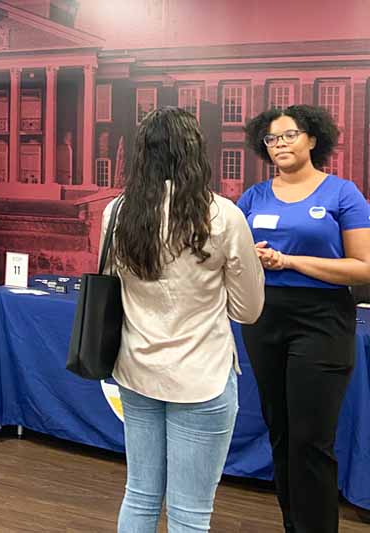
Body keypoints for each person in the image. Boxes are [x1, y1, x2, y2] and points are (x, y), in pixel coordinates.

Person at [103, 107, 264, 532]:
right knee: (190, 514)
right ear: (196, 153)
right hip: (203, 376)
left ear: (142, 155)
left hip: (137, 370)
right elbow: (248, 310)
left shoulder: (117, 214)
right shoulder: (223, 216)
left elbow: (110, 286)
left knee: (138, 494)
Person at [239, 105, 370, 533]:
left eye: (289, 135)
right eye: (272, 139)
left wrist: (291, 262)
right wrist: (250, 259)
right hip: (264, 318)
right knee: (280, 432)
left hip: (322, 320)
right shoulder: (253, 198)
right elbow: (232, 261)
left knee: (310, 440)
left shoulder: (342, 193)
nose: (279, 145)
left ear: (313, 139)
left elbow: (363, 267)